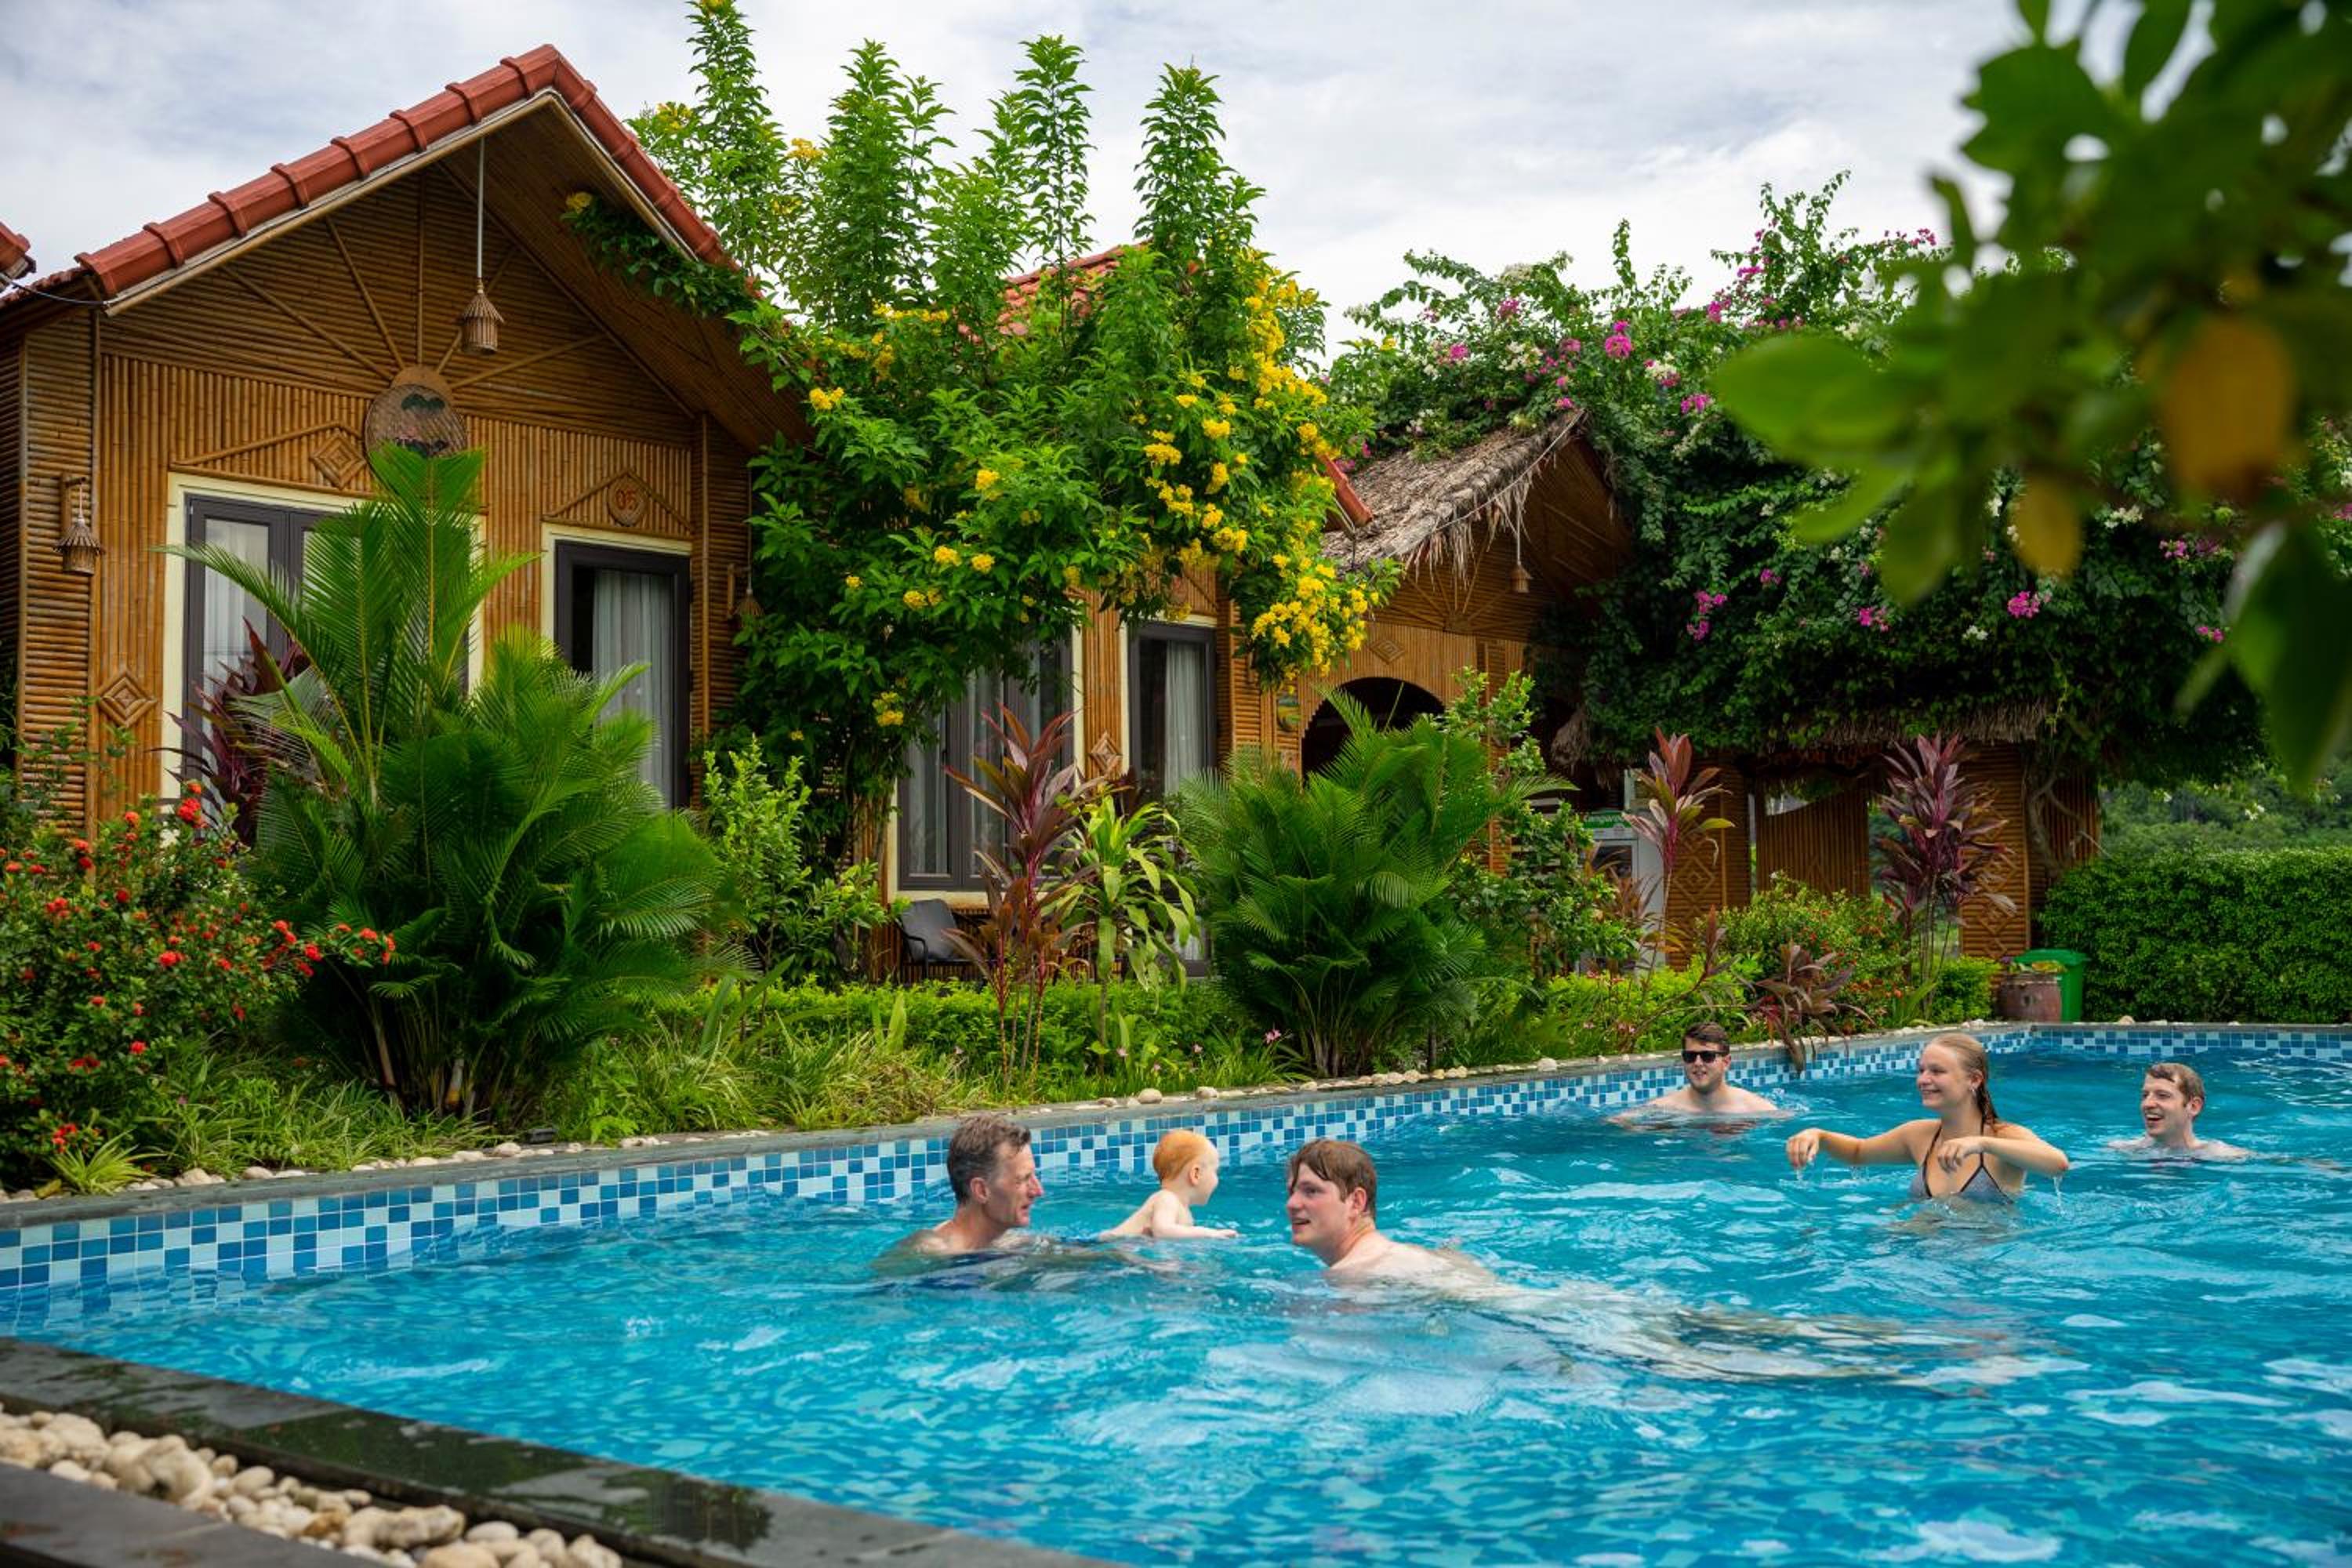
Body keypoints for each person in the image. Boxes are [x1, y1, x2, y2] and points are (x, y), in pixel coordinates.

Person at [1784, 1032, 2070, 1203]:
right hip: (1922, 1256)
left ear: (1974, 1079)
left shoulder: (2002, 1137)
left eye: (1937, 1071)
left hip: (1984, 1268)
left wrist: (1981, 1143)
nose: (1923, 1080)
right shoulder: (1919, 1135)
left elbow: (2057, 1164)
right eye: (1921, 1070)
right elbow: (1858, 1152)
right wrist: (1818, 1135)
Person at [1283, 1138, 1491, 1286]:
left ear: (1356, 1202)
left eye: (1311, 1191)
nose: (1292, 1204)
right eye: (1292, 1192)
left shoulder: (1352, 1278)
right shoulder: (1418, 1254)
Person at [894, 1112, 1044, 1257]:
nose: (1038, 1191)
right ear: (981, 1190)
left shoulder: (1015, 1244)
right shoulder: (928, 1255)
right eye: (1023, 1179)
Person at [1615, 1023, 1784, 1120]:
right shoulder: (1666, 1108)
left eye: (1707, 1056)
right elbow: (1620, 1122)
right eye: (1690, 1056)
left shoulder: (1756, 1109)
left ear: (1726, 1062)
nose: (1697, 1063)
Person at [1102, 1130, 1239, 1240]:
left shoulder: (1183, 1211)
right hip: (1105, 1249)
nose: (1217, 1179)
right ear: (1196, 1174)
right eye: (1215, 1172)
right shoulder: (1167, 1198)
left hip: (1122, 1252)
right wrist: (1209, 1233)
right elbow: (1162, 1231)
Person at [2111, 1061, 2250, 1160]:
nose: (2147, 1104)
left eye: (2162, 1096)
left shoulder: (2223, 1156)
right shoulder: (2123, 1150)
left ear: (2194, 1107)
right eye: (2145, 1095)